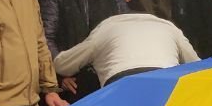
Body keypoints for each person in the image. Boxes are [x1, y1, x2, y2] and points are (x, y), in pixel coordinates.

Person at [54, 11, 198, 88]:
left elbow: (62, 65)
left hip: (121, 83)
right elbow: (198, 66)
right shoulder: (168, 27)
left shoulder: (105, 29)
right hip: (167, 81)